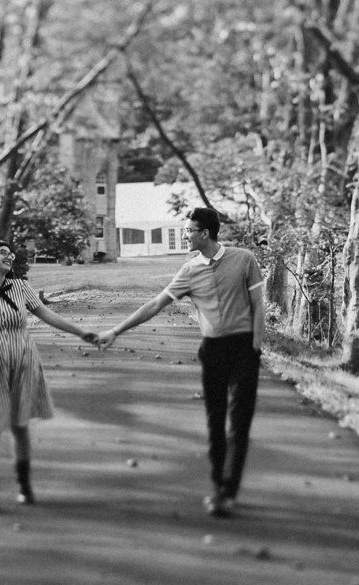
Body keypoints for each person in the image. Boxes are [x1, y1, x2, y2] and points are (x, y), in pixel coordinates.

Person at [96, 206, 265, 518]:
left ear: (205, 233)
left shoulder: (244, 259)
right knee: (215, 421)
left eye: (189, 231)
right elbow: (155, 305)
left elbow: (258, 304)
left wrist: (255, 346)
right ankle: (218, 486)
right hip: (213, 350)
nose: (185, 235)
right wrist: (116, 330)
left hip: (243, 349)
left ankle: (228, 490)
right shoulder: (189, 271)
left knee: (240, 420)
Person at [0, 239, 97, 512]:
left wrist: (81, 332)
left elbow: (47, 315)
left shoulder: (21, 287)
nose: (9, 256)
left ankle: (24, 485)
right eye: (2, 252)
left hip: (23, 360)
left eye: (11, 253)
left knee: (20, 427)